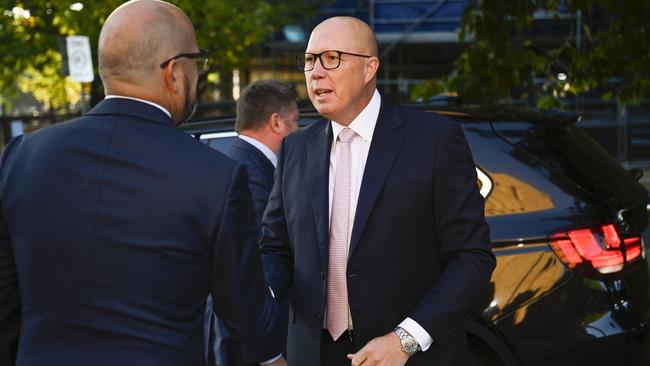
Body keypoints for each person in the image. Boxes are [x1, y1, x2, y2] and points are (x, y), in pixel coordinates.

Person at [0, 1, 285, 365]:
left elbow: (6, 300)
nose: (197, 76)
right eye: (197, 63)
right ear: (174, 72)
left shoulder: (22, 158)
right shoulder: (215, 177)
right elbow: (247, 313)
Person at [259, 16, 496, 366]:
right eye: (309, 60)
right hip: (312, 353)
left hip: (405, 354)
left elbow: (472, 257)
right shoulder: (295, 148)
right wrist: (259, 293)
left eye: (331, 58)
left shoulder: (433, 140)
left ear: (369, 68)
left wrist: (405, 341)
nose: (315, 72)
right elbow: (275, 248)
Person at [210, 80, 298, 366]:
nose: (297, 132)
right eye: (295, 122)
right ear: (276, 122)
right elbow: (252, 265)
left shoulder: (233, 160)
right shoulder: (248, 173)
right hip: (247, 340)